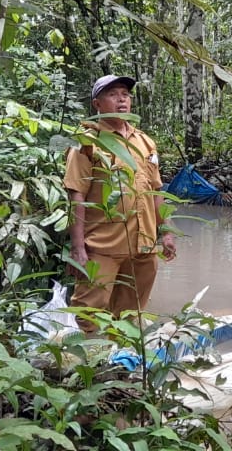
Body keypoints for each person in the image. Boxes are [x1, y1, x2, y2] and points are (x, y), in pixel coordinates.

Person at [63, 74, 176, 333]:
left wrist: (167, 231)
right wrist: (78, 247)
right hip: (102, 245)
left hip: (144, 245)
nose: (121, 99)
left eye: (125, 94)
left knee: (130, 311)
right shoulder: (86, 143)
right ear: (97, 104)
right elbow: (76, 195)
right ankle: (88, 365)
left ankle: (120, 364)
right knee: (89, 312)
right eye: (113, 94)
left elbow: (156, 190)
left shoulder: (145, 142)